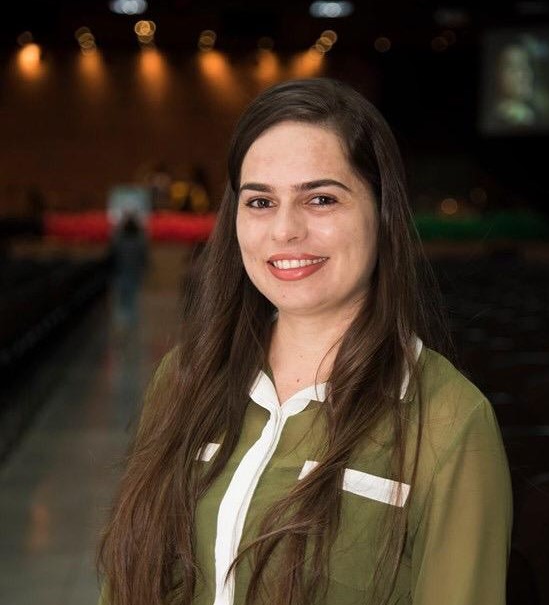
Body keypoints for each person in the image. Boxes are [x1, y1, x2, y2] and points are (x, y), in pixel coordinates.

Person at [97, 78, 512, 605]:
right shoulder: (184, 376)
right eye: (260, 201)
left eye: (320, 199)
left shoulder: (450, 420)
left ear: (382, 212)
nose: (285, 230)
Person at [109, 211, 148, 328]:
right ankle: (130, 322)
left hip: (122, 273)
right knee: (131, 299)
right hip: (132, 274)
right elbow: (143, 259)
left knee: (124, 298)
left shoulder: (119, 240)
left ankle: (123, 322)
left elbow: (113, 255)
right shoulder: (139, 241)